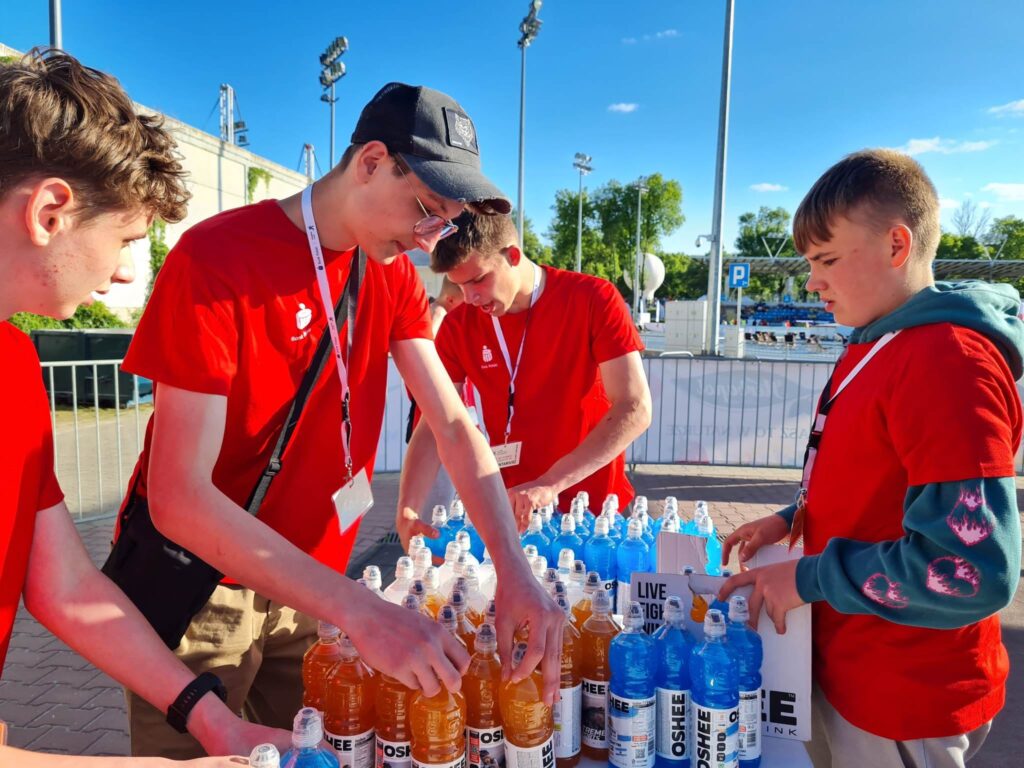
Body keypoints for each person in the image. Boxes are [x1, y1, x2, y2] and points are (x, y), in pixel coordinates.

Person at [117, 83, 564, 758]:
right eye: (425, 212)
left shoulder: (389, 277)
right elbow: (178, 496)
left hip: (315, 593)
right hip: (207, 594)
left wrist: (515, 571)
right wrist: (361, 610)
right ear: (371, 161)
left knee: (321, 752)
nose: (425, 241)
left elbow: (451, 423)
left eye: (441, 224)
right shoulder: (216, 259)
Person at [0, 49, 285, 765]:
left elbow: (64, 585)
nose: (128, 270)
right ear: (50, 211)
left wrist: (214, 722)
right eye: (126, 239)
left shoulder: (15, 365)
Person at [720, 149, 1022, 768]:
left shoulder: (946, 362)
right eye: (809, 263)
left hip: (905, 693)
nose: (811, 281)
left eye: (826, 260)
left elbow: (972, 571)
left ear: (896, 245)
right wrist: (792, 515)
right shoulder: (878, 338)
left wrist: (806, 577)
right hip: (852, 662)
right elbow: (876, 478)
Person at [396, 212, 652, 533]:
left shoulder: (592, 298)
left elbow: (635, 407)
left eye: (478, 280)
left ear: (512, 255)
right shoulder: (461, 324)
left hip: (596, 513)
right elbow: (435, 422)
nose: (472, 298)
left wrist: (549, 484)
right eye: (460, 286)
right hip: (514, 512)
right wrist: (408, 508)